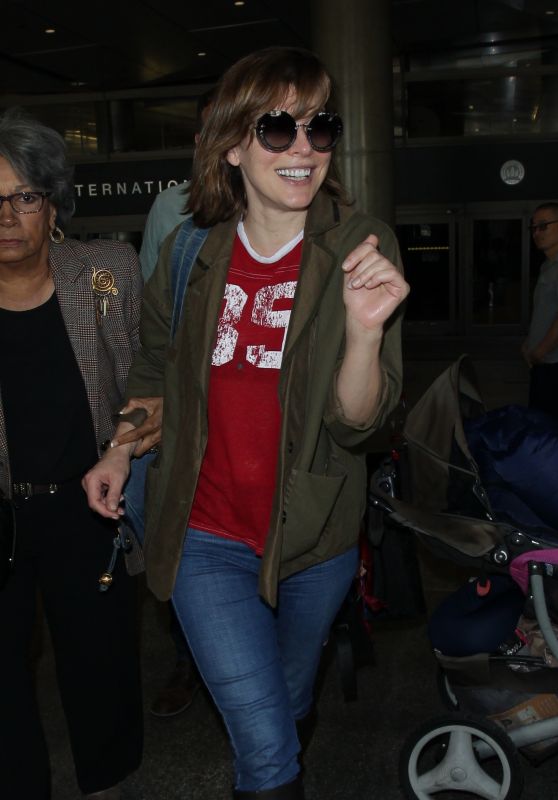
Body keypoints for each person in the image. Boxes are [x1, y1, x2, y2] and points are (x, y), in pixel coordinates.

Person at [84, 46, 409, 799]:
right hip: (205, 536)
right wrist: (118, 450)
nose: (303, 147)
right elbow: (152, 375)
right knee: (263, 748)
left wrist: (363, 334)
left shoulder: (360, 248)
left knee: (289, 705)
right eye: (276, 128)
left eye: (319, 127)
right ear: (233, 144)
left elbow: (361, 424)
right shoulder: (190, 251)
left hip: (314, 537)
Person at [0, 108, 153, 800]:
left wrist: (122, 447)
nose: (6, 216)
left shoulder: (105, 275)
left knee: (100, 661)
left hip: (85, 504)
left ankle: (107, 783)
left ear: (52, 203)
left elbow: (152, 385)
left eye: (22, 197)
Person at [136, 91, 215, 719]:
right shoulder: (174, 209)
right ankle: (191, 659)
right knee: (171, 529)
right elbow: (152, 317)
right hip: (189, 408)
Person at [139, 90, 214, 281]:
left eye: (230, 131)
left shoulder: (266, 204)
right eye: (212, 132)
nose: (222, 142)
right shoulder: (168, 205)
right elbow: (147, 290)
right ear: (199, 142)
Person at [522, 201, 558, 418]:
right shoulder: (547, 266)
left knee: (547, 429)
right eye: (533, 227)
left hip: (553, 364)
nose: (536, 232)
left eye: (543, 226)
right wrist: (529, 344)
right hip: (543, 363)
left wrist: (540, 350)